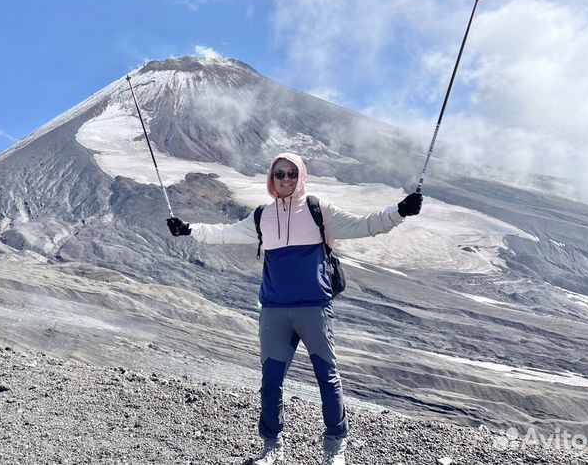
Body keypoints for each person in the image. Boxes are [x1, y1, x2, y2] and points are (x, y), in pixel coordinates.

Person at [166, 152, 422, 465]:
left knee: (327, 377)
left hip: (313, 308)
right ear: (271, 180)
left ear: (300, 175)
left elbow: (366, 225)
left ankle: (334, 450)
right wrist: (188, 229)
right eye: (279, 174)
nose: (285, 179)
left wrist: (399, 212)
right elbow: (223, 233)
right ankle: (271, 449)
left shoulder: (319, 211)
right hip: (274, 311)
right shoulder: (262, 217)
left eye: (291, 173)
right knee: (270, 382)